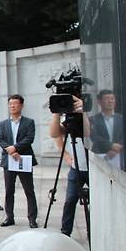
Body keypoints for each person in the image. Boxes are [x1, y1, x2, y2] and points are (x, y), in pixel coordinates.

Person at [49, 96, 89, 237]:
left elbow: (90, 133)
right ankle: (65, 232)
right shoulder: (70, 119)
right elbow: (55, 133)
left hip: (92, 170)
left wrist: (86, 110)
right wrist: (56, 114)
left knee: (94, 203)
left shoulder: (89, 115)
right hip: (76, 167)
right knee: (70, 200)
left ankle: (92, 231)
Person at [0, 94, 39, 228]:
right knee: (9, 190)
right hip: (9, 160)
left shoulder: (29, 122)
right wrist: (10, 150)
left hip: (24, 159)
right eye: (10, 104)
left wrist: (15, 148)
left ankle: (32, 218)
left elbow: (29, 138)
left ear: (21, 105)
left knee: (29, 190)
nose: (12, 106)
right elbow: (0, 139)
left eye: (15, 104)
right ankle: (9, 217)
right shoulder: (3, 124)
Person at [89, 89, 123, 168]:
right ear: (99, 102)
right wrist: (111, 146)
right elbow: (94, 137)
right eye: (107, 99)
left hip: (119, 155)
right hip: (100, 154)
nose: (110, 101)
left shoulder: (121, 119)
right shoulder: (93, 119)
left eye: (112, 99)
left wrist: (117, 149)